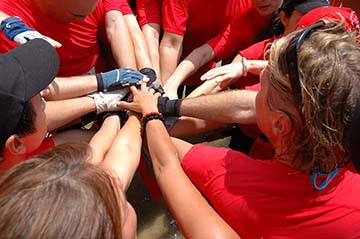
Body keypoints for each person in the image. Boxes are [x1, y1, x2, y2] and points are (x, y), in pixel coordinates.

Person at [120, 20, 360, 237]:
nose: (260, 73)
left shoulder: (228, 175)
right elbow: (247, 107)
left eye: (261, 89)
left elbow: (166, 158)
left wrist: (149, 111)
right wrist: (171, 106)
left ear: (279, 125)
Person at [162, 0, 284, 99]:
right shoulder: (248, 22)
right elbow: (204, 53)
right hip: (244, 100)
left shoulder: (299, 18)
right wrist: (171, 85)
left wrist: (248, 65)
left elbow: (293, 65)